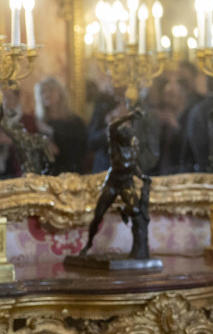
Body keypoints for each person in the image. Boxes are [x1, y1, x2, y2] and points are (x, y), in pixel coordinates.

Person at [80, 108, 153, 260]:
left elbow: (133, 167)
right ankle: (89, 243)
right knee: (98, 214)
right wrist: (130, 115)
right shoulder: (115, 144)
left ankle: (123, 210)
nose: (128, 140)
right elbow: (113, 126)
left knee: (134, 209)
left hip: (126, 182)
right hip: (113, 182)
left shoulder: (132, 150)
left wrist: (142, 177)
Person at [35, 77, 88, 175]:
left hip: (70, 174)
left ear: (60, 94)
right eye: (43, 92)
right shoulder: (38, 122)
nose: (46, 94)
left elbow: (81, 150)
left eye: (51, 90)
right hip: (46, 176)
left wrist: (51, 132)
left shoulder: (75, 121)